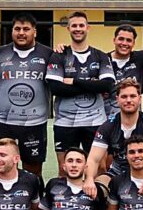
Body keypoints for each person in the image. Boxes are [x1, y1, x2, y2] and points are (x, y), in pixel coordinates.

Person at [47, 12, 115, 170]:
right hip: (65, 122)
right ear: (68, 29)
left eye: (81, 25)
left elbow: (107, 86)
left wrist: (74, 81)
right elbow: (56, 88)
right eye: (74, 26)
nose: (78, 29)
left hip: (95, 121)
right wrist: (92, 83)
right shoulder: (59, 56)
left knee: (99, 168)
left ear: (88, 28)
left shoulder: (100, 55)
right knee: (65, 169)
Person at [85, 78, 143, 200]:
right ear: (117, 99)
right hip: (117, 173)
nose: (128, 100)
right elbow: (93, 159)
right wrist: (89, 179)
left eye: (132, 96)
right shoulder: (107, 126)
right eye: (124, 97)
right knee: (95, 190)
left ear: (139, 99)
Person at [0, 14, 53, 176]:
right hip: (4, 121)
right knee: (3, 167)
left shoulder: (48, 54)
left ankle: (34, 194)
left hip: (35, 123)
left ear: (35, 32)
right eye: (17, 29)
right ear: (12, 31)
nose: (21, 33)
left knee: (33, 171)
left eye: (26, 29)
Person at [106, 24, 143, 116]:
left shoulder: (140, 57)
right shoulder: (103, 60)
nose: (124, 43)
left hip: (133, 118)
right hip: (107, 119)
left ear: (133, 43)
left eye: (128, 40)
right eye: (121, 39)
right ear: (114, 40)